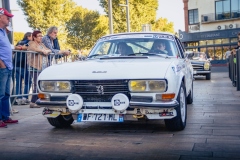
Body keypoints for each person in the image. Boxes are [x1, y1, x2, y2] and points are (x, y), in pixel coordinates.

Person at [0, 8, 18, 128]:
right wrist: (2, 64)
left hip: (8, 67)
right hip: (3, 67)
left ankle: (5, 117)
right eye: (7, 16)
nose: (9, 18)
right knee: (1, 94)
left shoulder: (3, 32)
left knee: (6, 93)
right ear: (0, 17)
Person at [27, 30, 51, 108]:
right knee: (36, 84)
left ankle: (39, 100)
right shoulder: (32, 43)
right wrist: (43, 51)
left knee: (41, 84)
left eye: (41, 36)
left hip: (42, 67)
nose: (41, 37)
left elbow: (49, 49)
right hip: (35, 67)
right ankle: (33, 102)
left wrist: (46, 50)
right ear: (34, 37)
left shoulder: (42, 44)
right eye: (39, 36)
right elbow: (34, 49)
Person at [13, 32, 32, 105]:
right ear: (28, 37)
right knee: (28, 81)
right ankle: (25, 97)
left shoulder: (19, 42)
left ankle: (19, 98)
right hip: (23, 64)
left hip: (16, 64)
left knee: (18, 82)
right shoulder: (28, 42)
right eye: (31, 36)